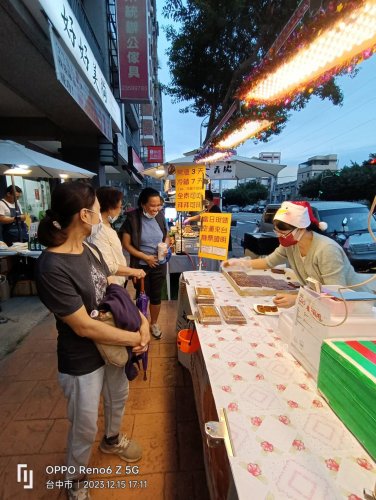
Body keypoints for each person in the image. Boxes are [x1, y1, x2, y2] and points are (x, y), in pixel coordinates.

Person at [35, 182, 150, 500]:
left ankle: (111, 439)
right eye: (98, 208)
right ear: (85, 215)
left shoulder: (90, 249)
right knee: (84, 423)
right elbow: (84, 326)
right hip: (81, 357)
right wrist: (134, 337)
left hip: (112, 347)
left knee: (119, 396)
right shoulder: (51, 266)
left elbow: (112, 294)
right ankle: (75, 481)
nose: (102, 213)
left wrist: (141, 323)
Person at [224, 200, 374, 308]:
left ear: (301, 228)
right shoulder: (291, 244)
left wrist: (296, 299)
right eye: (277, 232)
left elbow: (334, 293)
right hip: (320, 303)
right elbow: (268, 262)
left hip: (353, 306)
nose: (279, 236)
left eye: (283, 232)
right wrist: (239, 263)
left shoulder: (326, 250)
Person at [121, 187, 169, 340]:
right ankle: (141, 325)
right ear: (143, 204)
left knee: (156, 296)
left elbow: (166, 236)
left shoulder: (160, 216)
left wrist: (165, 246)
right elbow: (126, 245)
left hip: (159, 264)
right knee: (142, 296)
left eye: (158, 205)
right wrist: (145, 257)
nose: (156, 209)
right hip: (140, 266)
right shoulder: (132, 219)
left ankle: (154, 323)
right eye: (152, 205)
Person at [87, 186, 146, 286]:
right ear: (110, 208)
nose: (120, 210)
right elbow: (108, 265)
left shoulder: (107, 226)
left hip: (117, 282)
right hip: (109, 286)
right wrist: (133, 271)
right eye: (120, 207)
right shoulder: (98, 231)